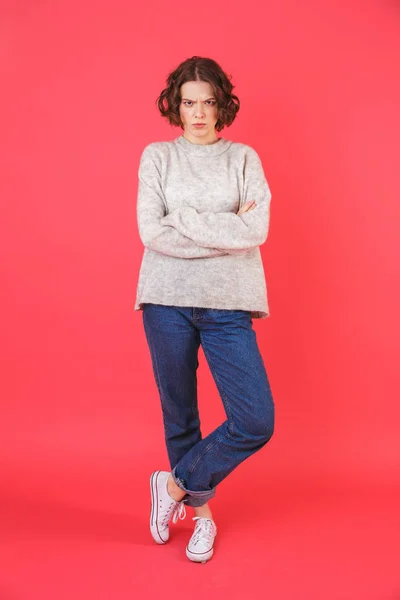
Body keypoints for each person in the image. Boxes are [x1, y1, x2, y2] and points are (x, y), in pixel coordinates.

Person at [134, 56, 275, 563]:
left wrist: (184, 219)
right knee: (181, 415)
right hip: (165, 300)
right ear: (176, 104)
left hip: (228, 304)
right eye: (189, 102)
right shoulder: (157, 157)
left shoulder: (243, 159)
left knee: (255, 419)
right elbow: (151, 232)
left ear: (222, 104)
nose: (198, 113)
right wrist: (222, 228)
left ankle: (171, 489)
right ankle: (203, 520)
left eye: (208, 102)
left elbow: (255, 231)